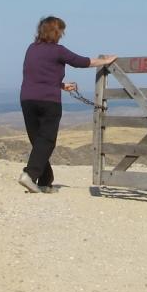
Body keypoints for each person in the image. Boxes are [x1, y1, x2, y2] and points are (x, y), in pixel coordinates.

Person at [18, 16, 116, 194]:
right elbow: (82, 62)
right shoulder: (58, 51)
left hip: (27, 99)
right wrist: (105, 61)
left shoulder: (31, 49)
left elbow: (37, 75)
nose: (62, 35)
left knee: (38, 141)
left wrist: (61, 85)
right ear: (56, 32)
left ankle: (45, 182)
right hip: (49, 101)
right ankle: (29, 175)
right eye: (61, 31)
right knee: (46, 141)